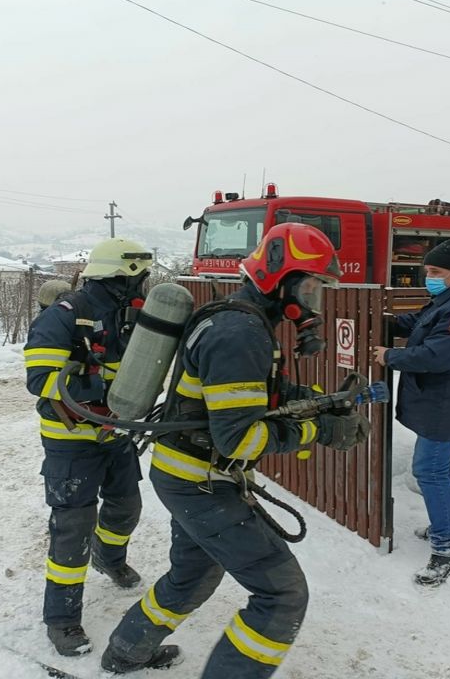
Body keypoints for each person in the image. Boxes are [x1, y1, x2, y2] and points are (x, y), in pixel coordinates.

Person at [101, 223, 369, 677]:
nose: (314, 302)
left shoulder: (241, 320)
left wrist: (321, 401)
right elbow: (240, 439)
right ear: (280, 280)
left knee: (193, 575)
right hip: (200, 482)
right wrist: (320, 430)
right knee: (282, 595)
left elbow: (260, 391)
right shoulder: (239, 333)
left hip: (186, 474)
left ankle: (126, 652)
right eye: (311, 288)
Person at [23, 238, 154, 657]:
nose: (142, 285)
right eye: (137, 278)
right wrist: (103, 391)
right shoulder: (63, 316)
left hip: (116, 434)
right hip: (72, 442)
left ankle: (109, 559)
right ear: (116, 278)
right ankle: (61, 619)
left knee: (126, 507)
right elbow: (39, 379)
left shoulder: (133, 316)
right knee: (73, 528)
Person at [372, 239, 450, 586]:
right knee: (439, 468)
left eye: (436, 271)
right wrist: (383, 321)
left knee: (429, 469)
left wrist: (391, 356)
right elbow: (421, 323)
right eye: (428, 271)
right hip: (441, 399)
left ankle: (448, 548)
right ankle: (446, 525)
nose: (429, 277)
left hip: (448, 401)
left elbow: (438, 355)